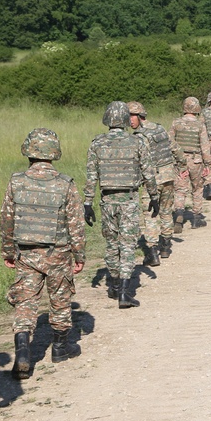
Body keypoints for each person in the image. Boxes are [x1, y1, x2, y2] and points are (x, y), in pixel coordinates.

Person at [0, 128, 85, 379]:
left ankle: (23, 353)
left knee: (25, 302)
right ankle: (60, 348)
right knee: (60, 299)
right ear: (54, 153)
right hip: (57, 253)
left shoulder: (16, 181)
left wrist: (7, 250)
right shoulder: (65, 184)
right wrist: (79, 255)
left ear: (28, 151)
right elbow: (76, 224)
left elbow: (7, 219)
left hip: (26, 254)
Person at [84, 101, 157, 308]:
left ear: (107, 119)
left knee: (112, 243)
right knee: (127, 245)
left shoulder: (97, 143)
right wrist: (154, 196)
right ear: (126, 119)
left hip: (107, 200)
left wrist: (87, 203)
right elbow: (148, 172)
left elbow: (91, 176)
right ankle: (124, 291)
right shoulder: (137, 142)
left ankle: (115, 284)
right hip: (129, 200)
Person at [129, 101, 184, 260]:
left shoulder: (139, 136)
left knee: (151, 214)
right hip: (168, 176)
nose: (129, 120)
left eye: (132, 116)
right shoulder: (159, 129)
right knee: (166, 211)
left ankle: (153, 251)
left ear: (140, 116)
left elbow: (138, 161)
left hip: (152, 180)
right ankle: (166, 246)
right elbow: (175, 148)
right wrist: (182, 165)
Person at [169, 96, 211, 231]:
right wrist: (208, 165)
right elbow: (205, 147)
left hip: (179, 161)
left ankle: (179, 215)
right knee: (197, 188)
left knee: (180, 189)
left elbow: (170, 142)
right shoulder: (200, 125)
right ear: (197, 108)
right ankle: (196, 218)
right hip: (196, 160)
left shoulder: (176, 123)